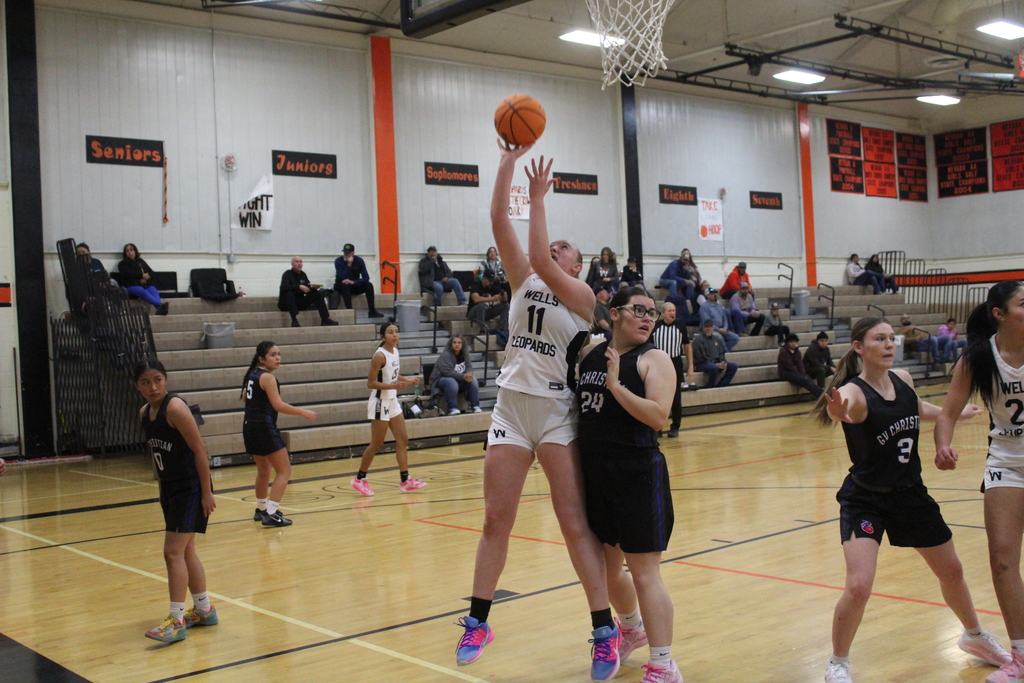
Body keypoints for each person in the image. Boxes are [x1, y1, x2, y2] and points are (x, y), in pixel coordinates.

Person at [455, 143, 618, 681]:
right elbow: (500, 217)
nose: (555, 247)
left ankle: (603, 630)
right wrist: (506, 161)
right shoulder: (523, 280)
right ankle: (478, 620)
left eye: (565, 247)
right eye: (554, 243)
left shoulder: (583, 299)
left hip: (555, 413)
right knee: (494, 520)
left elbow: (542, 257)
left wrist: (541, 197)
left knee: (573, 525)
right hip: (510, 407)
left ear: (578, 265)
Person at [812, 316, 1008, 683]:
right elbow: (846, 408)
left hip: (910, 495)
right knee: (858, 586)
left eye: (892, 338)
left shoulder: (902, 379)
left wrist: (955, 413)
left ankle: (975, 637)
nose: (889, 345)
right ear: (859, 348)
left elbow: (916, 408)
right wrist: (839, 413)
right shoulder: (854, 391)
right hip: (866, 499)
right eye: (879, 339)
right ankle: (838, 663)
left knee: (952, 571)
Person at [576, 286, 684, 683]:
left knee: (644, 572)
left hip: (638, 473)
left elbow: (659, 417)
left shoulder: (655, 359)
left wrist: (616, 386)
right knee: (605, 571)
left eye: (652, 313)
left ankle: (663, 664)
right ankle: (632, 626)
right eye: (639, 310)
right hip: (596, 474)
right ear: (616, 313)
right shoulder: (590, 354)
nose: (647, 318)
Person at [935, 281, 1024, 683]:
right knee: (1003, 561)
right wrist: (943, 445)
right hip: (1007, 461)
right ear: (999, 314)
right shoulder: (977, 358)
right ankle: (1021, 657)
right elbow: (948, 412)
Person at [134, 358, 217, 643]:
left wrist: (206, 492)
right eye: (146, 382)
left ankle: (176, 619)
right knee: (186, 550)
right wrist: (161, 488)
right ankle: (204, 610)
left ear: (166, 380)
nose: (153, 386)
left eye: (157, 379)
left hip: (190, 487)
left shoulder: (176, 408)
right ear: (138, 386)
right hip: (170, 488)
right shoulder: (145, 413)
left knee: (172, 552)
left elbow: (200, 449)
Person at [241, 341, 317, 527]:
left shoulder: (253, 373)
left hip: (249, 426)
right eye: (273, 355)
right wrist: (303, 412)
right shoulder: (267, 377)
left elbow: (245, 397)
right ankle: (272, 513)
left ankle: (261, 509)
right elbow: (278, 405)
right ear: (262, 358)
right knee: (284, 470)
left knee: (263, 471)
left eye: (279, 354)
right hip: (263, 428)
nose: (278, 358)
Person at [350, 322, 424, 497]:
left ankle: (405, 480)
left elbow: (392, 375)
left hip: (392, 401)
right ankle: (359, 478)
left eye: (397, 332)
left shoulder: (395, 351)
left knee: (402, 439)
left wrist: (407, 380)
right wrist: (394, 386)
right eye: (390, 332)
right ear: (383, 336)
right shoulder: (379, 355)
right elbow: (371, 383)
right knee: (377, 443)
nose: (395, 335)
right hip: (379, 402)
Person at [651, 301, 694, 438]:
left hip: (675, 363)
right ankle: (656, 428)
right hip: (658, 363)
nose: (672, 313)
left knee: (675, 398)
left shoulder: (680, 326)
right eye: (669, 311)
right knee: (656, 397)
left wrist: (691, 366)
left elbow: (687, 347)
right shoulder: (655, 326)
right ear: (663, 313)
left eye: (673, 310)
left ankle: (675, 427)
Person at [429, 335, 482, 415]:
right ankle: (452, 408)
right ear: (451, 344)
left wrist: (469, 374)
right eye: (454, 342)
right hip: (441, 380)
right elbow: (447, 372)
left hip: (459, 379)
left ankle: (475, 406)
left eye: (459, 343)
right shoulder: (445, 355)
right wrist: (463, 376)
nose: (457, 344)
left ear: (462, 344)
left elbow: (469, 367)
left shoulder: (465, 355)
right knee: (451, 381)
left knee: (473, 379)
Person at [278, 256, 337, 328]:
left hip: (299, 302)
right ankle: (294, 320)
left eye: (300, 262)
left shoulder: (303, 274)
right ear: (292, 264)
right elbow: (283, 287)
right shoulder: (287, 274)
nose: (299, 264)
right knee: (289, 294)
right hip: (286, 304)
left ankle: (325, 319)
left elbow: (307, 287)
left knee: (317, 294)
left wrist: (313, 288)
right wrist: (298, 286)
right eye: (297, 262)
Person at [333, 243, 384, 318]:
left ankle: (372, 311)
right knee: (345, 285)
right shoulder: (338, 261)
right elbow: (342, 277)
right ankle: (349, 311)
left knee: (368, 285)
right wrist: (349, 265)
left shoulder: (359, 260)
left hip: (354, 284)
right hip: (341, 285)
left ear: (353, 253)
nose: (346, 254)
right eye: (345, 253)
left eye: (348, 253)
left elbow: (366, 278)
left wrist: (354, 282)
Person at [118, 243, 168, 315]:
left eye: (131, 250)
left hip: (144, 284)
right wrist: (141, 275)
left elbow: (151, 272)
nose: (130, 252)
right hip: (131, 285)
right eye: (127, 251)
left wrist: (146, 278)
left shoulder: (140, 261)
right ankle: (160, 305)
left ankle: (159, 308)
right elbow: (127, 274)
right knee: (141, 291)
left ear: (135, 251)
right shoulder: (122, 264)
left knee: (153, 289)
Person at [692, 319, 738, 388]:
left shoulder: (717, 339)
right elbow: (700, 357)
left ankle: (722, 385)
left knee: (733, 366)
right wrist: (715, 364)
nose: (708, 328)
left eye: (710, 326)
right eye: (706, 327)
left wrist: (723, 362)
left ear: (713, 328)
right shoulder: (698, 340)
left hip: (715, 363)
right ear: (703, 328)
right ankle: (710, 386)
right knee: (713, 367)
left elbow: (721, 353)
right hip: (702, 364)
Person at [777, 333, 823, 398]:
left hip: (796, 372)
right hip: (785, 373)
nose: (793, 343)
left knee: (808, 379)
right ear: (787, 343)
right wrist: (801, 375)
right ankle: (822, 394)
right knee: (804, 380)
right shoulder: (783, 352)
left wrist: (803, 374)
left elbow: (800, 364)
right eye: (791, 342)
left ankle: (820, 395)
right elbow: (790, 366)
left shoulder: (797, 352)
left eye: (795, 342)